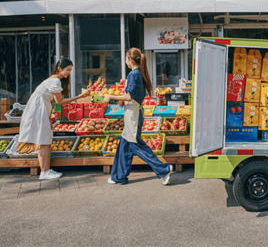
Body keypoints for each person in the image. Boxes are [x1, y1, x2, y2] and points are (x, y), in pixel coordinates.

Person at [103, 48, 174, 185]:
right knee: (124, 145)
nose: (124, 60)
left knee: (136, 146)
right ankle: (119, 176)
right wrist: (120, 99)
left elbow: (130, 96)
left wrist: (110, 96)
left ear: (130, 60)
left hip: (133, 114)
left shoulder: (133, 74)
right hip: (133, 112)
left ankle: (164, 168)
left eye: (125, 58)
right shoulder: (138, 73)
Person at [19, 57, 89, 180]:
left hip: (39, 110)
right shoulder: (55, 81)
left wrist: (49, 117)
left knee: (44, 140)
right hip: (37, 110)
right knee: (45, 141)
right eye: (67, 70)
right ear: (59, 68)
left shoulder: (53, 80)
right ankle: (45, 172)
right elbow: (60, 101)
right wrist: (80, 96)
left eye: (70, 70)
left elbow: (52, 101)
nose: (68, 73)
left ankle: (45, 170)